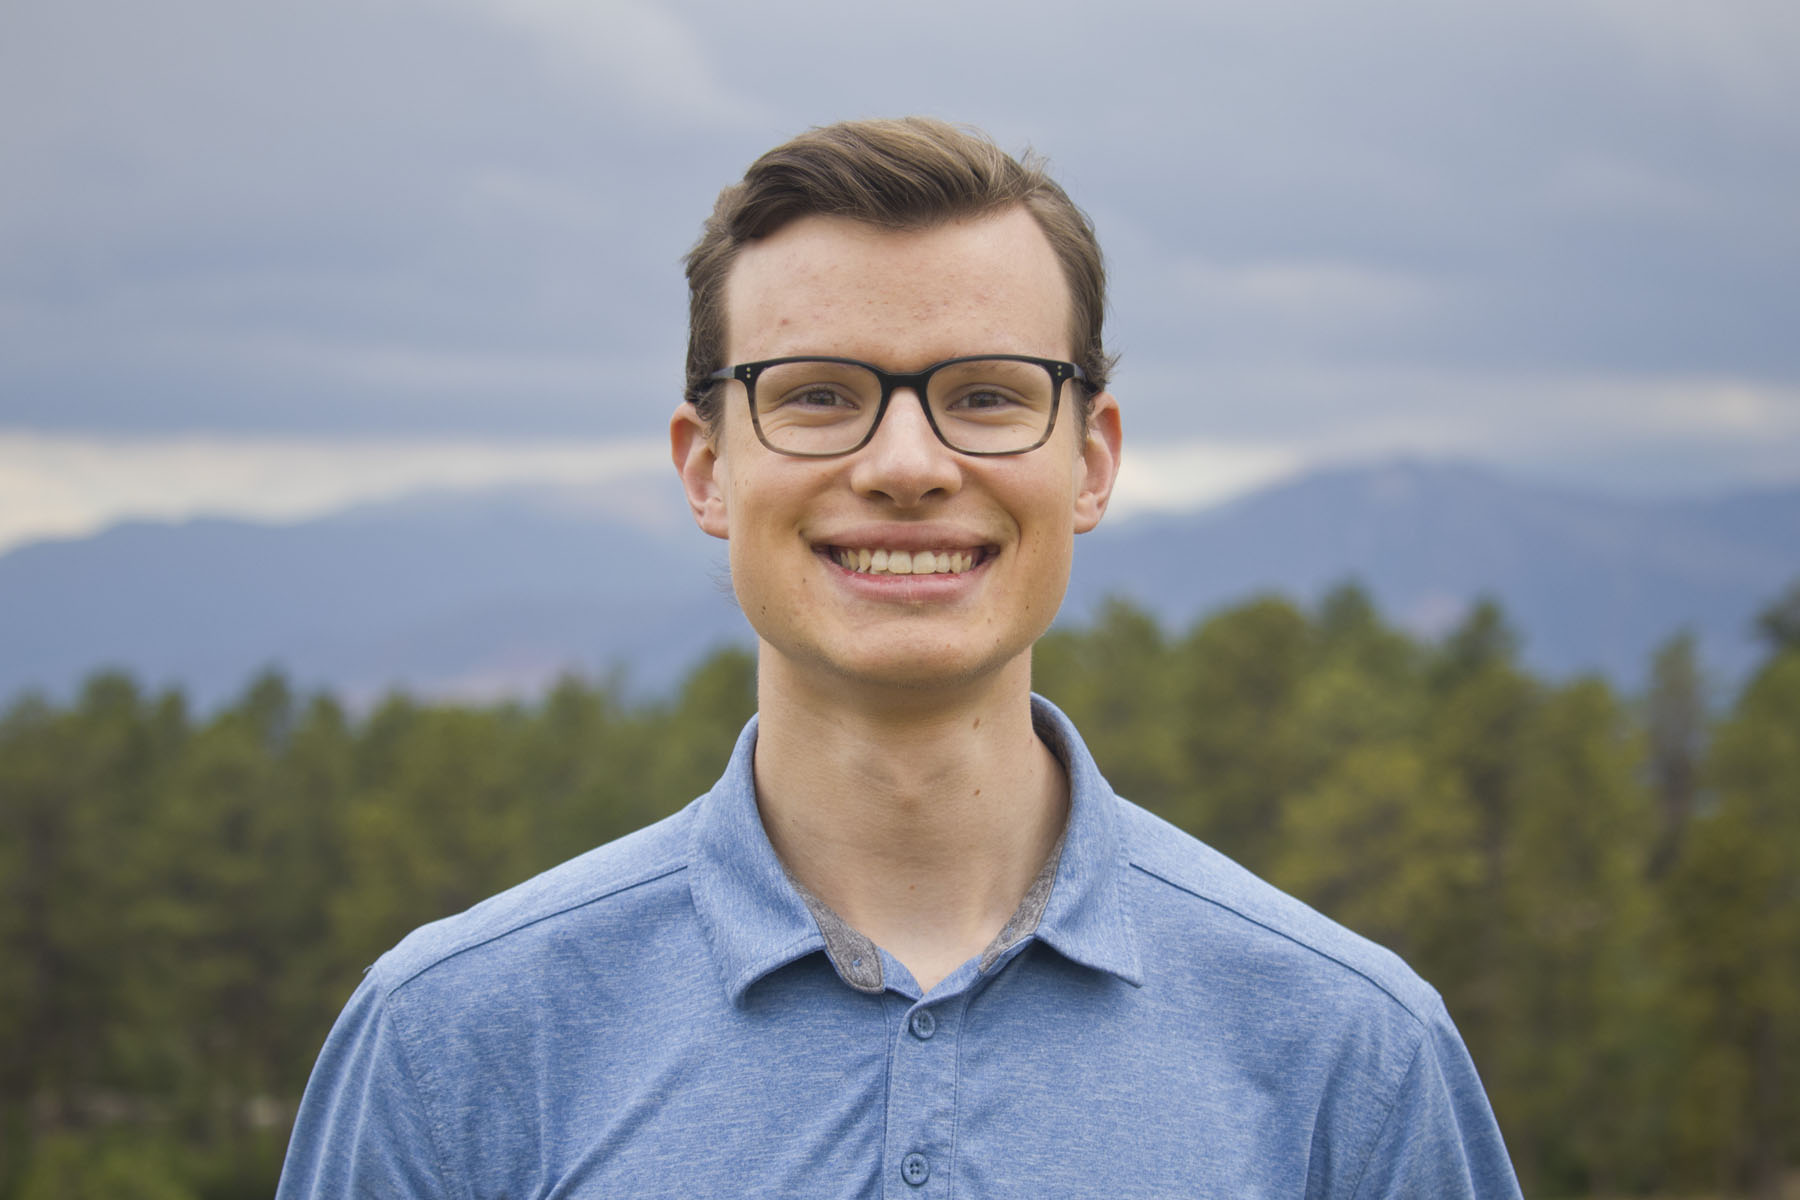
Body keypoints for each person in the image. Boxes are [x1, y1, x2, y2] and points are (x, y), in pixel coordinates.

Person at [277, 117, 1523, 1198]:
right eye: (818, 394)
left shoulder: (1349, 1050)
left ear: (1089, 462)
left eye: (986, 394)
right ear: (708, 467)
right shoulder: (451, 1038)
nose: (908, 465)